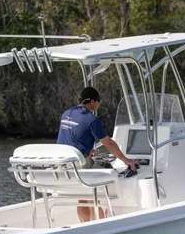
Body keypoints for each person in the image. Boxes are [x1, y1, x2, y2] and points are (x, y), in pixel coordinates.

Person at [57, 86, 137, 222]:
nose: (98, 104)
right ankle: (100, 224)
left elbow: (71, 137)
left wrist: (87, 151)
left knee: (83, 196)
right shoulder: (92, 120)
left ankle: (84, 224)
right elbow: (109, 144)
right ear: (93, 102)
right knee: (98, 188)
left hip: (63, 164)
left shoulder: (67, 113)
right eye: (98, 101)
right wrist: (126, 160)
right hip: (80, 165)